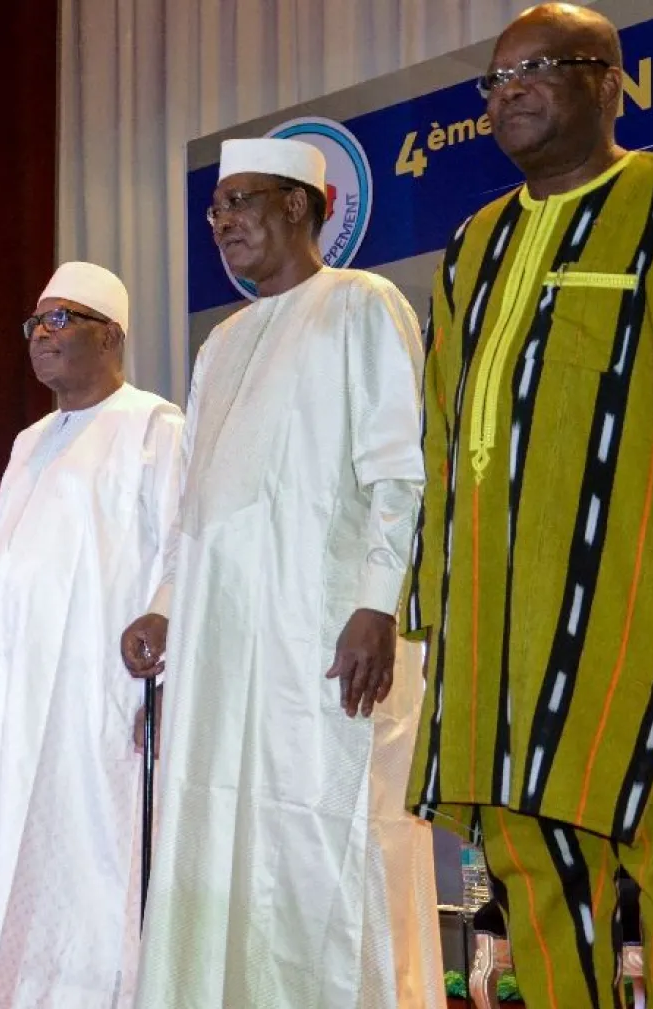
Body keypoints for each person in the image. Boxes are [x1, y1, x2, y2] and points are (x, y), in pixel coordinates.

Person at [121, 138, 443, 1009]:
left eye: (241, 202)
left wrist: (379, 604)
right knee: (218, 821)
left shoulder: (362, 303)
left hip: (326, 628)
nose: (221, 222)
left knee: (325, 829)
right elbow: (197, 505)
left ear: (300, 206)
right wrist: (164, 607)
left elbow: (397, 469)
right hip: (223, 639)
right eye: (215, 209)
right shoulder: (221, 341)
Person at [405, 6, 653, 1006]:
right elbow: (439, 427)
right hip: (500, 643)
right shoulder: (474, 241)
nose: (506, 92)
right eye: (495, 79)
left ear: (610, 82)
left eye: (536, 70)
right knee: (536, 873)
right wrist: (431, 600)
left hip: (636, 613)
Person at [0, 263, 183, 1009]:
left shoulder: (155, 425)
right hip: (6, 695)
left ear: (113, 336)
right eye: (35, 322)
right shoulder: (30, 439)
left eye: (62, 319)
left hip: (94, 694)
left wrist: (160, 665)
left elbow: (181, 548)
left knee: (89, 864)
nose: (42, 334)